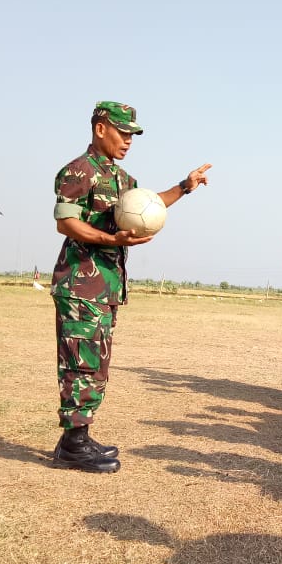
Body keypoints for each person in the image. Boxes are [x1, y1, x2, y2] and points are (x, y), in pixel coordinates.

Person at [51, 101, 211, 473]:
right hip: (80, 284)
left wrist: (184, 187)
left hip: (106, 287)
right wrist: (110, 240)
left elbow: (150, 206)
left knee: (97, 364)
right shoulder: (79, 170)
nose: (128, 140)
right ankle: (72, 445)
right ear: (100, 128)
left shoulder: (122, 179)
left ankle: (78, 437)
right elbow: (65, 222)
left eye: (132, 135)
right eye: (123, 132)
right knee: (80, 363)